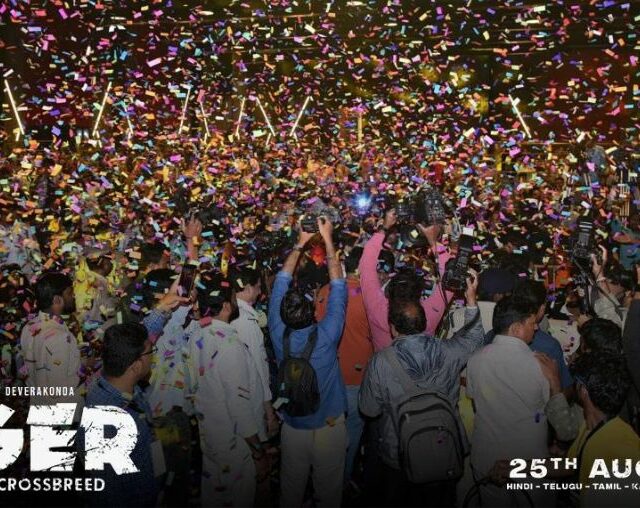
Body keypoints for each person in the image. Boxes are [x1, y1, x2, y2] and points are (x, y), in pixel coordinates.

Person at [358, 270, 482, 506]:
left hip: (399, 453)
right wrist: (471, 299)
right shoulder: (449, 352)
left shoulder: (380, 362)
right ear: (424, 324)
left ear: (393, 328)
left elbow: (369, 409)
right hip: (444, 449)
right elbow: (474, 339)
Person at [268, 218, 348, 507]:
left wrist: (300, 243)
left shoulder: (277, 331)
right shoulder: (327, 335)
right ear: (314, 311)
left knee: (291, 489)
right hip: (329, 423)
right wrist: (327, 239)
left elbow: (281, 281)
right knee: (329, 491)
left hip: (293, 423)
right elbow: (338, 284)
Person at [187, 271, 267, 507]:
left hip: (210, 436)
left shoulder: (196, 336)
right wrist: (258, 451)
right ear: (225, 306)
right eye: (233, 298)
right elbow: (239, 406)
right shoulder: (229, 345)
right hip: (235, 443)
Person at [466, 296, 554, 507]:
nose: (536, 328)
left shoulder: (475, 359)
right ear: (516, 328)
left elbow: (476, 400)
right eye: (532, 323)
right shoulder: (540, 365)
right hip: (527, 463)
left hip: (486, 458)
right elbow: (552, 408)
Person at [80, 323, 160, 507]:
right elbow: (108, 492)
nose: (153, 356)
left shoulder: (116, 387)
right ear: (136, 366)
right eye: (150, 352)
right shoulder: (110, 422)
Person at [315, 246, 372, 483]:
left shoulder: (326, 290)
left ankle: (325, 481)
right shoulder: (369, 297)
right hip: (356, 377)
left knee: (329, 434)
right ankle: (342, 482)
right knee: (352, 432)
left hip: (328, 376)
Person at [359, 208, 450, 351]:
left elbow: (366, 266)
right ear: (419, 294)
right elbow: (450, 279)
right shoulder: (429, 314)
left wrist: (384, 228)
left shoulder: (377, 309)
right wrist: (433, 242)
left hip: (383, 365)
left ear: (389, 291)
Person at [567, 353, 640, 507]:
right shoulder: (590, 425)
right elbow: (571, 465)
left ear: (583, 390)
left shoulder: (621, 450)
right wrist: (521, 467)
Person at [19, 272, 83, 406]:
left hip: (37, 404)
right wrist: (85, 372)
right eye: (70, 293)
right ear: (57, 300)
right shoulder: (60, 337)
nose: (74, 296)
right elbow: (56, 391)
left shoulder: (28, 327)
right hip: (61, 411)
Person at [231, 266, 278, 437]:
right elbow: (258, 367)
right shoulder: (245, 321)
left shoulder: (233, 313)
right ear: (248, 288)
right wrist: (269, 411)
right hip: (252, 397)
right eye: (258, 287)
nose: (259, 292)